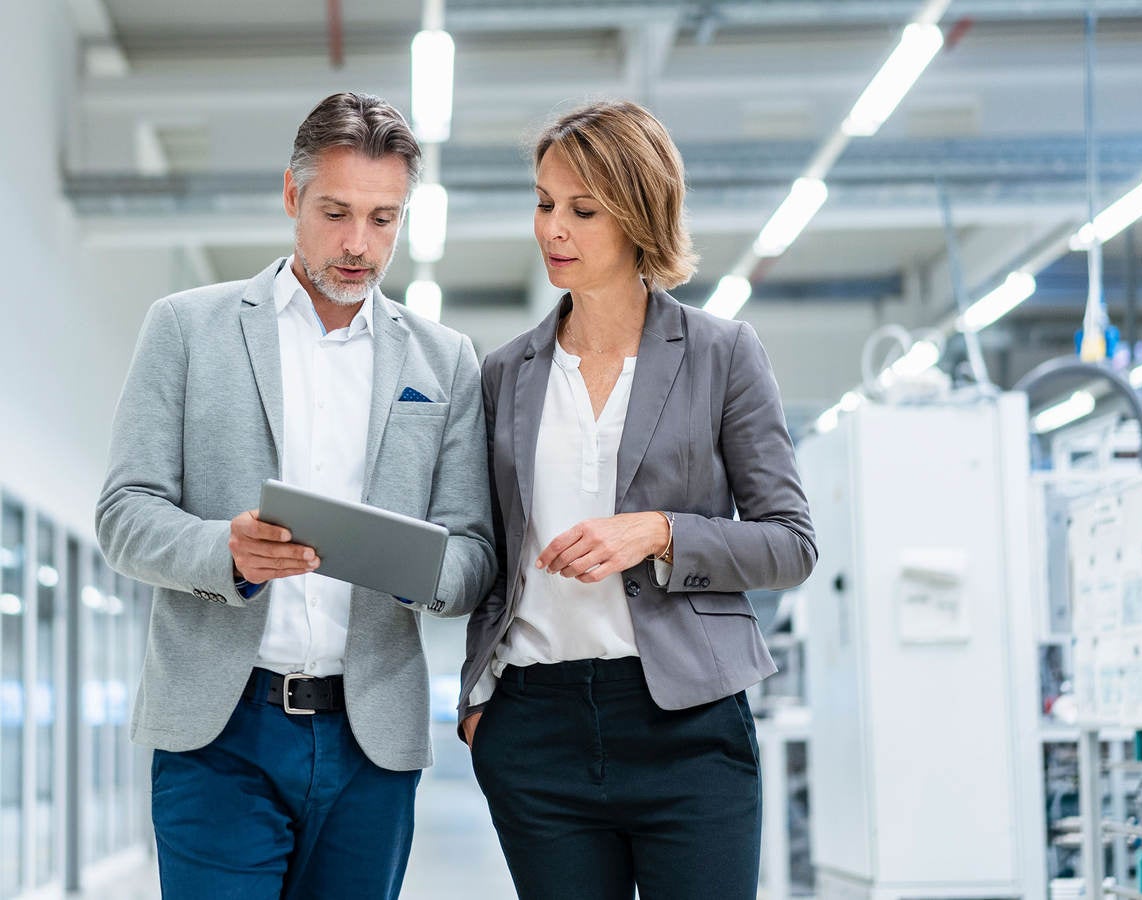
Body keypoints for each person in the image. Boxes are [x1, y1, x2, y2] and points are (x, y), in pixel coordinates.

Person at [96, 91, 496, 900]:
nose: (358, 245)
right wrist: (225, 551)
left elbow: (475, 554)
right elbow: (124, 513)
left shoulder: (444, 361)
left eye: (384, 219)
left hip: (369, 742)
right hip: (220, 734)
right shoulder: (186, 328)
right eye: (336, 212)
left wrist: (414, 566)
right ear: (291, 195)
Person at [459, 99, 817, 900]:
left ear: (639, 216)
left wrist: (660, 532)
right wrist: (479, 705)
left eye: (583, 210)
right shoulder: (505, 373)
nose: (554, 228)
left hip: (685, 722)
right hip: (535, 723)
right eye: (546, 203)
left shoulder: (723, 355)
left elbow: (791, 542)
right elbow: (490, 550)